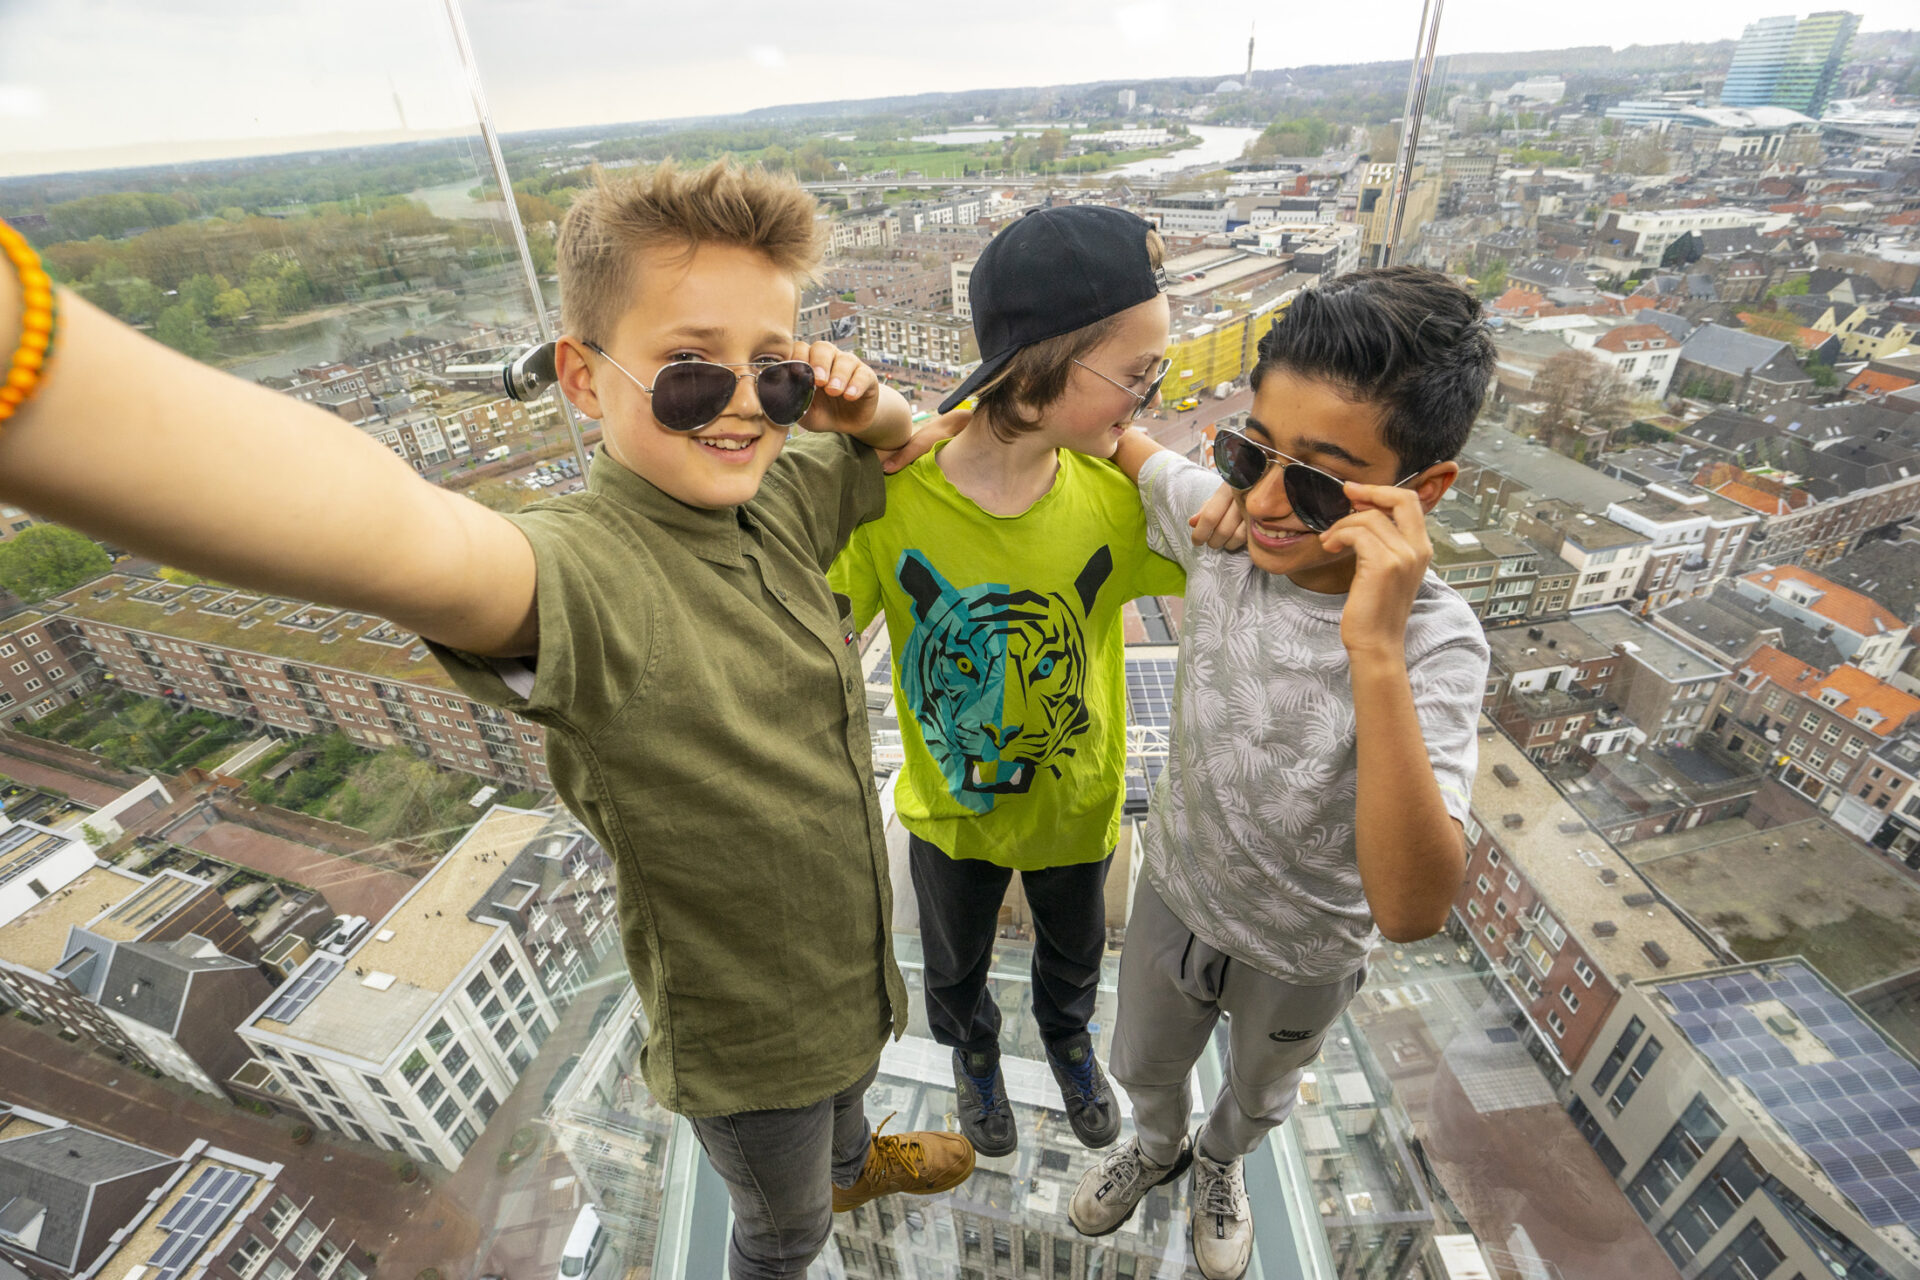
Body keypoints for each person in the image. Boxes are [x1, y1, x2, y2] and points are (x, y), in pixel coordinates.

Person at [0, 159, 975, 1280]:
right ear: (580, 377)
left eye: (779, 370)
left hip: (849, 972)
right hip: (753, 1035)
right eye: (691, 369)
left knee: (845, 1100)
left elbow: (901, 444)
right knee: (782, 1230)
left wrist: (868, 404)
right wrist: (35, 364)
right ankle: (823, 1191)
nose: (749, 402)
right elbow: (394, 532)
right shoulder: (591, 575)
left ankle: (855, 1158)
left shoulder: (776, 494)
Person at [1066, 266, 1495, 1280]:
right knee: (1141, 1061)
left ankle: (1220, 1161)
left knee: (1262, 1089)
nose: (1263, 499)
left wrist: (1374, 646)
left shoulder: (1436, 645)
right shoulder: (1230, 528)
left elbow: (1413, 904)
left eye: (1313, 476)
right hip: (1181, 888)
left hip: (1305, 945)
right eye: (1250, 448)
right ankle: (1157, 1143)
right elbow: (1113, 437)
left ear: (1420, 492)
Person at [830, 207, 1230, 1159]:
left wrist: (1133, 444)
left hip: (1077, 812)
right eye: (1137, 374)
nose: (1152, 392)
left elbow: (1235, 538)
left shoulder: (1115, 506)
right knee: (954, 969)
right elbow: (813, 624)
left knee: (1073, 961)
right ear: (1046, 362)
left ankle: (1066, 1044)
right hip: (948, 815)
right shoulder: (889, 506)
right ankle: (972, 1056)